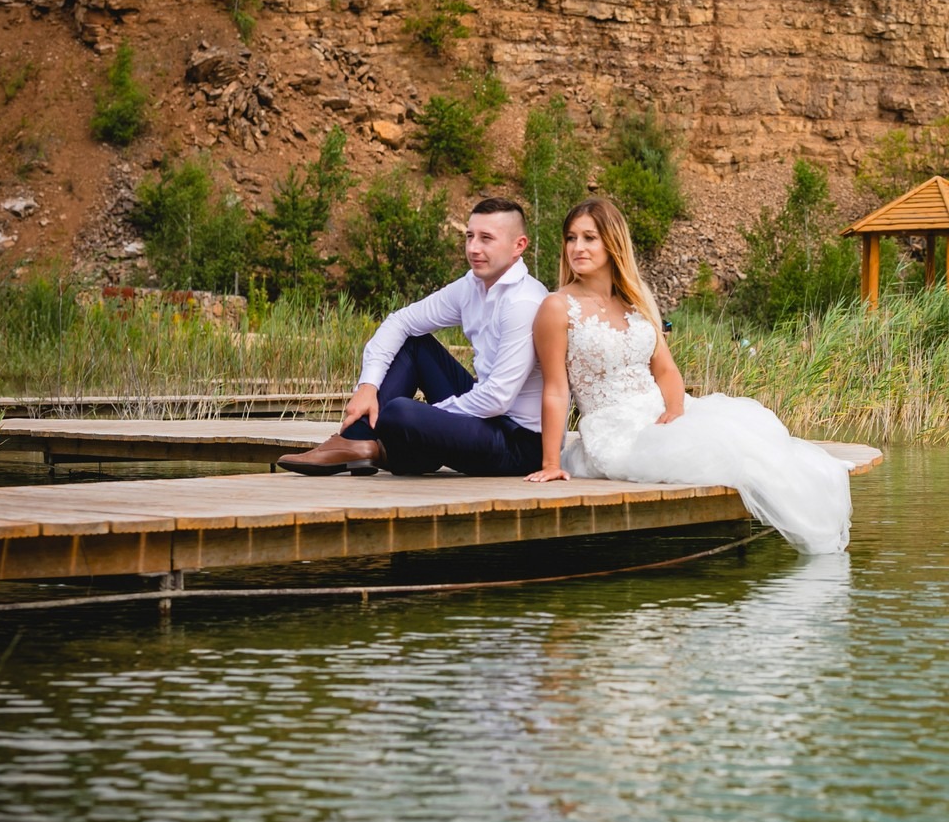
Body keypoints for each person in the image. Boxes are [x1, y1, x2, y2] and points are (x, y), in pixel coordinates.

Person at [523, 197, 853, 554]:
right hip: (612, 429)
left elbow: (666, 370)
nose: (577, 247)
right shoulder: (557, 307)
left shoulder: (636, 303)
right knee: (710, 454)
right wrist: (551, 463)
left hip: (661, 412)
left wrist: (676, 409)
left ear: (612, 243)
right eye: (571, 238)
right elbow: (556, 390)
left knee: (746, 435)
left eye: (589, 238)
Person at [276, 197, 549, 477]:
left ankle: (393, 449)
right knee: (413, 344)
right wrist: (367, 386)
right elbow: (401, 321)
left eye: (486, 238)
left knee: (400, 414)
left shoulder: (523, 303)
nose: (473, 248)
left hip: (517, 444)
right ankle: (359, 442)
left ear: (519, 246)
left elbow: (497, 399)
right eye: (469, 236)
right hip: (483, 420)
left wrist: (429, 420)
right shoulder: (472, 285)